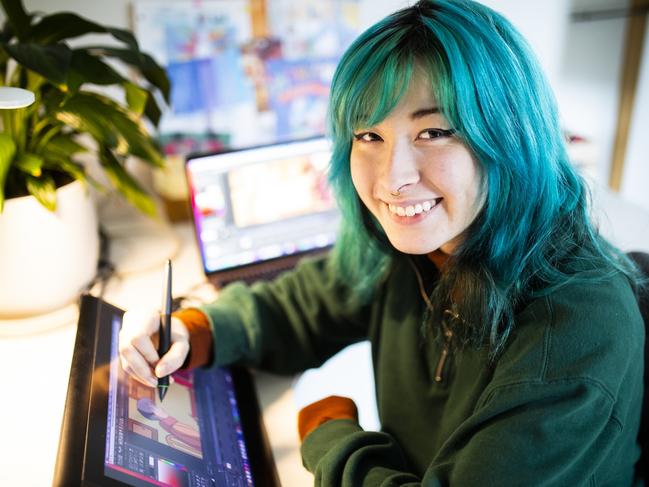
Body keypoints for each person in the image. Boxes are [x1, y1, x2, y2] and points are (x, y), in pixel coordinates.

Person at [119, 0, 646, 484]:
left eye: (434, 132)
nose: (392, 179)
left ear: (511, 134)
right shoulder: (418, 248)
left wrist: (330, 437)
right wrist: (192, 330)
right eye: (369, 136)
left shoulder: (574, 329)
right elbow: (303, 305)